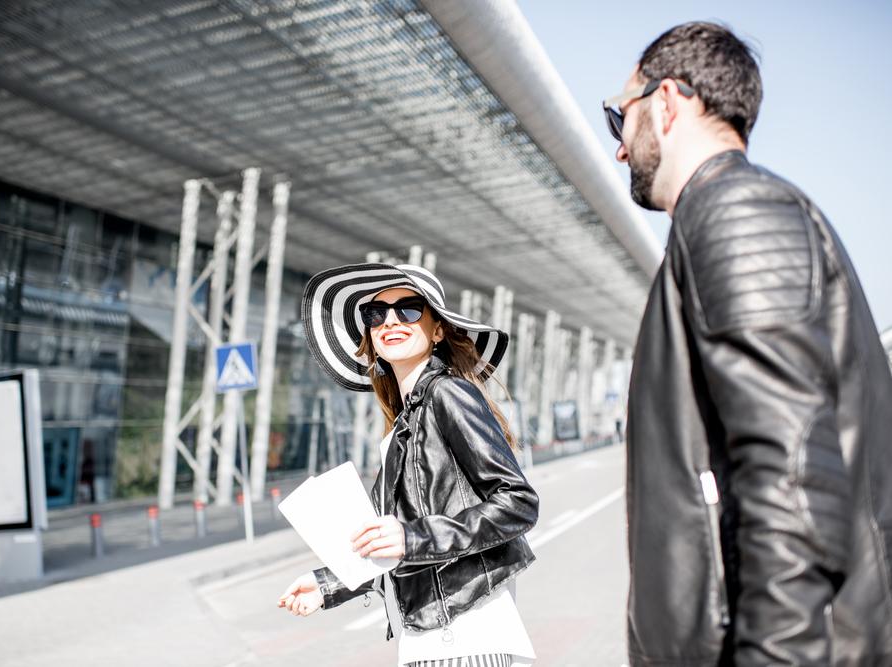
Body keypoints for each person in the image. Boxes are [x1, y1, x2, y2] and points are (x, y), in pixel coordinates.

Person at [603, 21, 892, 665]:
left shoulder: (736, 212)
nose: (619, 148)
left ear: (667, 101)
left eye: (618, 115)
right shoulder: (728, 213)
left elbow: (792, 475)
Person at [277, 263, 539, 667]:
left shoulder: (447, 393)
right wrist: (326, 585)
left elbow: (518, 502)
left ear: (438, 330)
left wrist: (413, 538)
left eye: (410, 310)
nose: (390, 321)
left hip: (467, 637)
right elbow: (388, 542)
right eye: (376, 314)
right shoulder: (404, 424)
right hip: (428, 639)